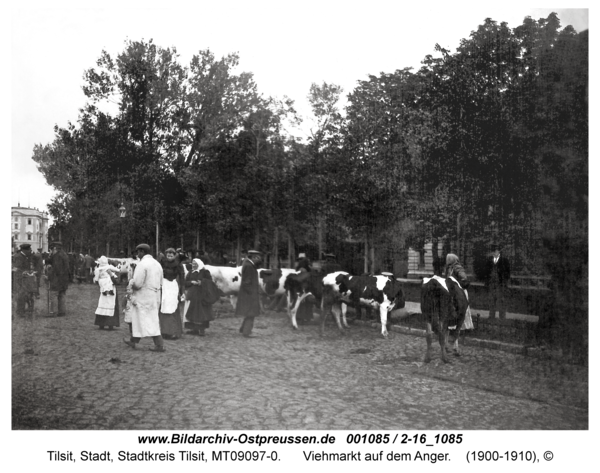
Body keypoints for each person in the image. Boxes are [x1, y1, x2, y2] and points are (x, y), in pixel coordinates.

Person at [123, 243, 165, 352]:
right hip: (155, 295)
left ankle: (159, 345)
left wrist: (131, 282)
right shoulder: (157, 264)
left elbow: (138, 284)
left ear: (142, 252)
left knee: (143, 319)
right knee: (149, 319)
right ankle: (133, 340)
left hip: (143, 295)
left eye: (138, 252)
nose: (137, 254)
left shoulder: (142, 264)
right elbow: (161, 282)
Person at [183, 258, 219, 336]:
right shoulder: (190, 272)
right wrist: (191, 282)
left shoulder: (205, 272)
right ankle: (194, 329)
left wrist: (201, 282)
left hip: (202, 295)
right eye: (192, 263)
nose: (193, 265)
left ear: (199, 264)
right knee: (192, 311)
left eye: (195, 263)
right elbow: (185, 282)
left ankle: (201, 329)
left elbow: (210, 282)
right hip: (192, 295)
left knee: (201, 312)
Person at [235, 250, 262, 338]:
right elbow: (247, 282)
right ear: (253, 257)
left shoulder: (247, 264)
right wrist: (252, 294)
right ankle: (247, 332)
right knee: (251, 313)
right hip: (250, 294)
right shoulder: (249, 266)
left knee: (249, 312)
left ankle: (243, 328)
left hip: (247, 294)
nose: (259, 259)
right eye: (258, 257)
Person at [159, 248, 185, 340]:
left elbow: (182, 278)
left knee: (173, 307)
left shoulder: (178, 265)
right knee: (163, 307)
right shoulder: (162, 263)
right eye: (168, 255)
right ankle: (164, 331)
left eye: (171, 255)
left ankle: (174, 332)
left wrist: (182, 291)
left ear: (174, 256)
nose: (169, 257)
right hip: (164, 285)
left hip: (172, 286)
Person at [444, 253, 473, 330]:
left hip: (460, 292)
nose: (446, 260)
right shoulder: (449, 268)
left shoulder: (457, 268)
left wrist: (456, 284)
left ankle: (463, 326)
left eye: (448, 259)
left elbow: (464, 279)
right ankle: (453, 325)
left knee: (460, 308)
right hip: (452, 292)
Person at [93, 256, 121, 330]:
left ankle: (101, 323)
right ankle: (110, 323)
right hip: (110, 286)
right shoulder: (109, 268)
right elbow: (118, 272)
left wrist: (99, 281)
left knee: (102, 303)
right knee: (110, 304)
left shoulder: (98, 269)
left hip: (103, 288)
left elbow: (96, 279)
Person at [484, 245, 511, 319]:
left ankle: (502, 317)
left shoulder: (504, 261)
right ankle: (491, 316)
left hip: (500, 285)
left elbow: (508, 273)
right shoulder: (489, 261)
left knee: (501, 301)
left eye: (495, 251)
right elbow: (486, 273)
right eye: (493, 251)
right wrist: (487, 283)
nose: (494, 253)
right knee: (491, 301)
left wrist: (504, 282)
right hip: (491, 284)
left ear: (499, 252)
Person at [47, 241, 70, 317]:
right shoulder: (64, 255)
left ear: (54, 248)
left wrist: (49, 275)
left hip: (56, 279)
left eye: (51, 249)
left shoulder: (57, 256)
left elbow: (56, 269)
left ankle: (52, 312)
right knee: (62, 295)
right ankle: (62, 311)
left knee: (53, 295)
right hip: (64, 279)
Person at [13, 243, 34, 316]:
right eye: (29, 250)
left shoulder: (24, 256)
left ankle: (22, 310)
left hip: (25, 278)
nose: (30, 251)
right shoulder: (19, 257)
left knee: (24, 295)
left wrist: (29, 271)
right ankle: (20, 312)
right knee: (21, 296)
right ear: (25, 250)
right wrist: (24, 273)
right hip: (20, 279)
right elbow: (16, 268)